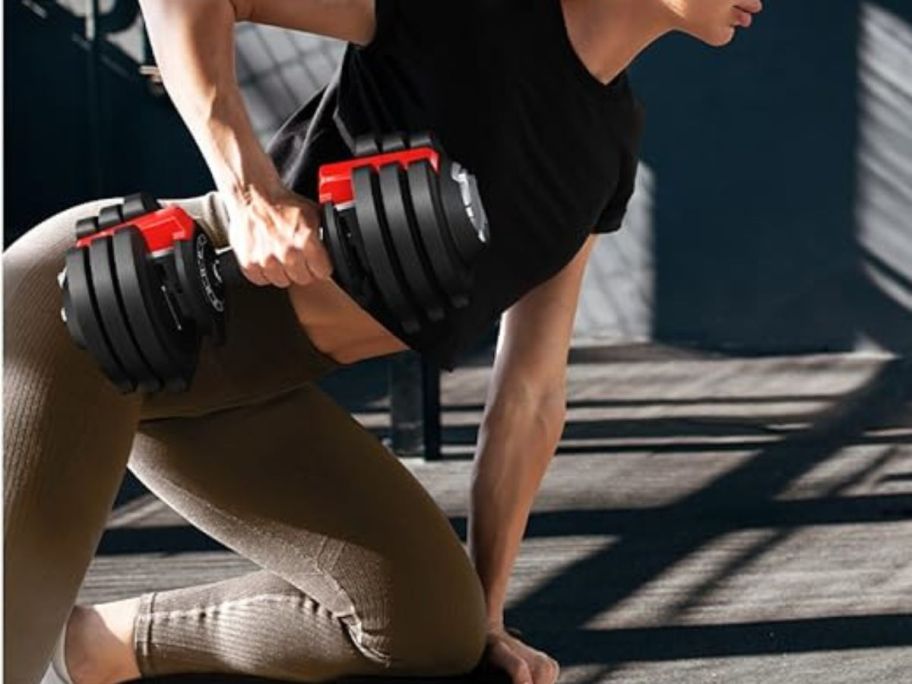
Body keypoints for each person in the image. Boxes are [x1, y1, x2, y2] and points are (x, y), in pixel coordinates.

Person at [3, 0, 762, 683]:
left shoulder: (609, 144)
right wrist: (252, 191)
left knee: (433, 627)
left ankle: (93, 650)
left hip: (233, 398)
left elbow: (531, 389)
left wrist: (488, 614)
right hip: (94, 311)